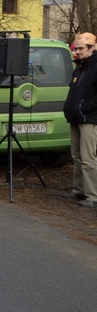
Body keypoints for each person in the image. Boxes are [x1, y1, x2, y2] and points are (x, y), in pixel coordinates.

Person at [62, 32, 97, 207]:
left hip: (89, 119)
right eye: (76, 48)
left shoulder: (95, 67)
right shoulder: (79, 67)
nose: (77, 52)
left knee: (88, 158)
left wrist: (84, 108)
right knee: (76, 155)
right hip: (75, 117)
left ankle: (92, 195)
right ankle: (78, 190)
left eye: (81, 48)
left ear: (92, 48)